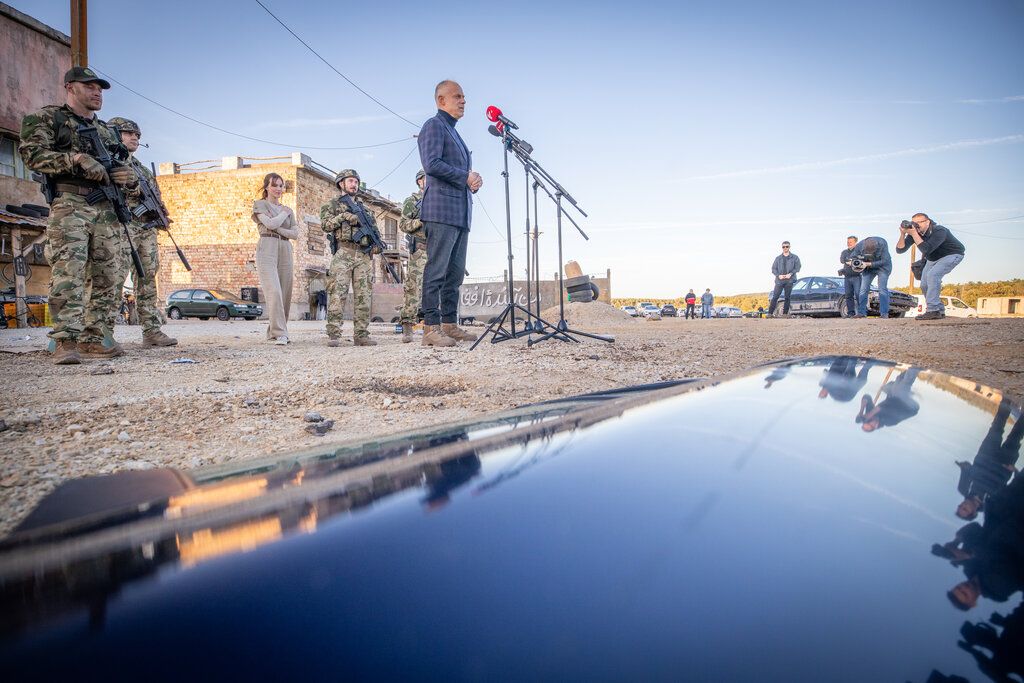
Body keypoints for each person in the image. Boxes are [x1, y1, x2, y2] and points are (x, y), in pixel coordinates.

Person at [19, 67, 138, 364]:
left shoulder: (106, 131)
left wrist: (127, 177)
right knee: (68, 273)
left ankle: (94, 337)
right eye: (90, 87)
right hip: (71, 203)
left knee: (109, 276)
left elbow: (119, 167)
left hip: (106, 209)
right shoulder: (49, 118)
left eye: (100, 89)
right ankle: (64, 340)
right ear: (70, 87)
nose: (97, 93)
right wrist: (74, 159)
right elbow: (32, 154)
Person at [99, 117, 177, 348]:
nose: (134, 137)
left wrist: (161, 214)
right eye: (128, 133)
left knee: (148, 278)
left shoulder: (142, 168)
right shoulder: (108, 161)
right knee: (114, 277)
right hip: (121, 225)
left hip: (146, 228)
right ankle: (103, 332)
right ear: (114, 134)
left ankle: (151, 330)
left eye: (138, 135)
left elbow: (155, 196)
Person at [417, 80, 481, 347]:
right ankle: (430, 328)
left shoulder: (456, 134)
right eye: (457, 96)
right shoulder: (434, 125)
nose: (463, 101)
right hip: (441, 210)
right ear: (441, 100)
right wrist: (465, 177)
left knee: (454, 274)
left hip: (459, 213)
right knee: (437, 270)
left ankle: (448, 324)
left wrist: (472, 182)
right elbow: (431, 164)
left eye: (464, 97)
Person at [320, 169, 376, 347]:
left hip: (363, 254)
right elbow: (325, 225)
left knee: (364, 296)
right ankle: (334, 334)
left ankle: (361, 335)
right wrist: (343, 217)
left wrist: (375, 245)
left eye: (356, 182)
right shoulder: (332, 205)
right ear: (341, 184)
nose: (354, 185)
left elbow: (375, 231)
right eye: (350, 181)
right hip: (344, 252)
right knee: (337, 293)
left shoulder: (365, 209)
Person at [252, 173, 297, 345]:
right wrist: (281, 217)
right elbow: (269, 225)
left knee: (285, 291)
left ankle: (275, 331)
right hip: (267, 246)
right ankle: (280, 333)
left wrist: (280, 228)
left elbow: (295, 234)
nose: (278, 189)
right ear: (266, 187)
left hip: (285, 247)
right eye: (275, 185)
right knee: (274, 291)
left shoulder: (289, 210)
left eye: (281, 186)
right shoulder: (260, 204)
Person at [896, 213, 965, 320]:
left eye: (919, 222)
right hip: (932, 258)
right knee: (924, 284)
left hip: (952, 254)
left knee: (933, 276)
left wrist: (914, 234)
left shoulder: (939, 230)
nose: (916, 225)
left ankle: (932, 310)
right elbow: (900, 250)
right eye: (914, 222)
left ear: (928, 222)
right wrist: (902, 234)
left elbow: (926, 249)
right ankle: (939, 310)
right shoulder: (915, 233)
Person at [398, 169, 428, 343]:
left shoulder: (438, 200)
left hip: (437, 249)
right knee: (413, 288)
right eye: (426, 178)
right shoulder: (412, 201)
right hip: (420, 250)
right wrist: (421, 220)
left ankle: (433, 325)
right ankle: (408, 326)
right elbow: (403, 224)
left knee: (435, 288)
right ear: (419, 181)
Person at [849, 236, 892, 318]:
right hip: (868, 268)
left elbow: (885, 261)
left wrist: (869, 264)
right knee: (863, 290)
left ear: (877, 247)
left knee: (882, 289)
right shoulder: (859, 245)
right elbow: (853, 256)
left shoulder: (883, 243)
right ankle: (861, 313)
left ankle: (884, 313)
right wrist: (854, 262)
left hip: (882, 268)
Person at [767, 241, 800, 317]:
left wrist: (790, 274)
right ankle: (769, 313)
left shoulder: (795, 257)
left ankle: (785, 314)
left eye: (787, 246)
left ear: (789, 247)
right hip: (779, 281)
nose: (785, 248)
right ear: (782, 247)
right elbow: (773, 269)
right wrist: (778, 275)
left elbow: (798, 267)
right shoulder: (778, 258)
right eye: (783, 247)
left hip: (789, 280)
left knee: (787, 297)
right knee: (775, 297)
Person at [839, 235, 860, 317]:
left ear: (855, 242)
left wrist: (851, 261)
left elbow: (861, 260)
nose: (849, 243)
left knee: (858, 295)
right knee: (848, 295)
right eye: (848, 242)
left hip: (857, 276)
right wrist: (852, 260)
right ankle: (851, 313)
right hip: (847, 276)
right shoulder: (844, 252)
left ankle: (861, 313)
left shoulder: (859, 251)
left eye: (850, 242)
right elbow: (842, 260)